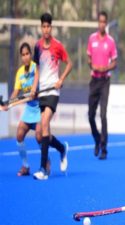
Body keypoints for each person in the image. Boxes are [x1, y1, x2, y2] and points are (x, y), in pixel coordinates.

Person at [32, 12, 72, 180]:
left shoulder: (58, 45)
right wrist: (34, 88)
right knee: (42, 133)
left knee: (45, 122)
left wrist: (61, 79)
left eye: (48, 26)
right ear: (41, 28)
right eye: (44, 26)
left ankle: (42, 169)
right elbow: (38, 70)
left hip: (53, 91)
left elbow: (69, 63)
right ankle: (62, 148)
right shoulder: (37, 46)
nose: (46, 29)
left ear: (51, 27)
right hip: (42, 91)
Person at [3, 42, 40, 176]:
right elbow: (16, 91)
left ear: (30, 55)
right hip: (29, 109)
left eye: (27, 54)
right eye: (23, 55)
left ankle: (46, 162)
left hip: (40, 108)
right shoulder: (19, 73)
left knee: (40, 137)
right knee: (19, 135)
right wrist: (9, 103)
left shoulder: (36, 67)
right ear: (21, 56)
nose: (25, 57)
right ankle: (25, 166)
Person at [87, 11, 117, 160]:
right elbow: (88, 58)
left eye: (104, 22)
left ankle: (104, 148)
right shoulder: (91, 39)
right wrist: (92, 65)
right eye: (100, 21)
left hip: (105, 81)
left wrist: (106, 68)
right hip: (94, 81)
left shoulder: (110, 41)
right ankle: (97, 139)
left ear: (106, 23)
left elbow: (115, 62)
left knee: (103, 114)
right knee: (90, 115)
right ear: (97, 23)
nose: (102, 24)